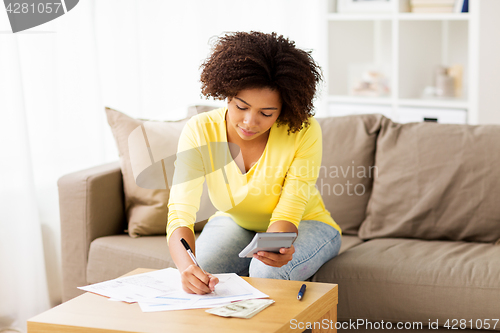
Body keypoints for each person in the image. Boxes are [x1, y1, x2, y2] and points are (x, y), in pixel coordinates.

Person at [166, 31, 342, 295]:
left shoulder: (303, 131)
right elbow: (181, 210)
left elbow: (290, 208)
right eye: (241, 107)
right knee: (203, 269)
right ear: (227, 94)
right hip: (235, 221)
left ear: (284, 109)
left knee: (267, 271)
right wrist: (186, 267)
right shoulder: (200, 130)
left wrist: (277, 246)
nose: (250, 122)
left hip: (309, 222)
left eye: (266, 113)